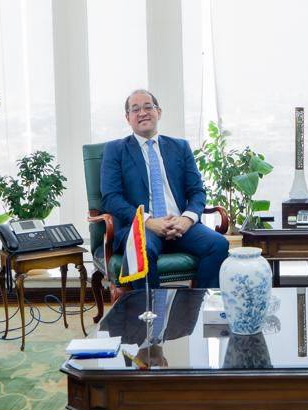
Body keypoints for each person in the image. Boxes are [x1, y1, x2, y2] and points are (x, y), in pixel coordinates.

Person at [96, 89, 229, 288]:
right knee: (143, 250)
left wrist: (186, 219)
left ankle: (200, 303)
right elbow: (111, 198)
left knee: (218, 244)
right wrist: (148, 221)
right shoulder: (115, 150)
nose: (143, 113)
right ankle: (150, 309)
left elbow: (197, 191)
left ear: (158, 112)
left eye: (148, 107)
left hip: (180, 225)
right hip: (141, 228)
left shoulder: (180, 147)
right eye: (135, 109)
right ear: (128, 118)